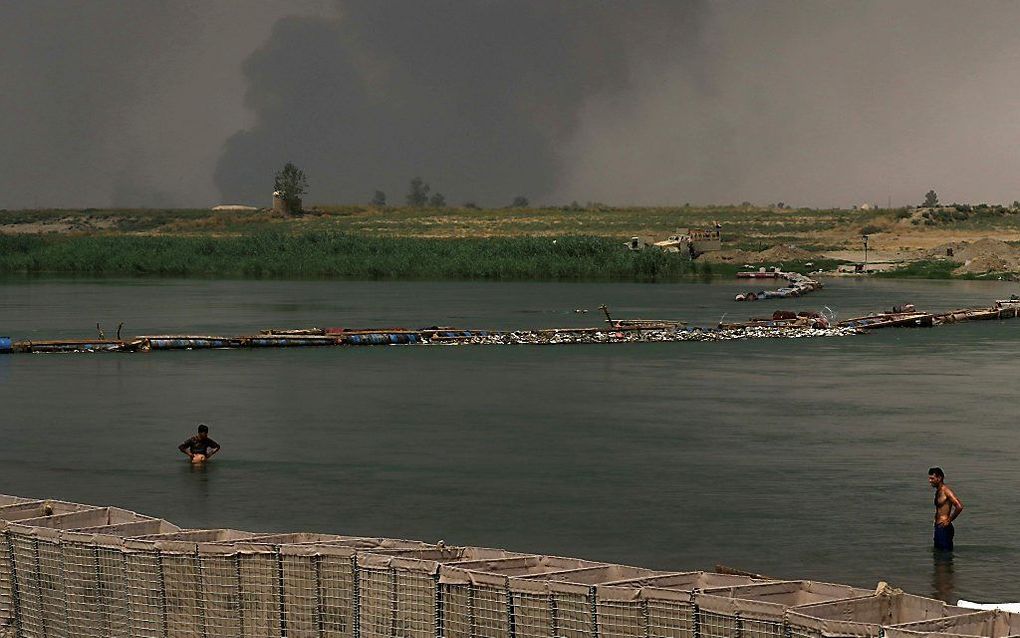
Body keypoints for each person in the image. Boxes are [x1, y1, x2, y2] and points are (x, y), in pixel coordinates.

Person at [929, 467, 963, 551]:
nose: (930, 481)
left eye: (932, 478)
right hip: (939, 527)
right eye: (929, 478)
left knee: (944, 556)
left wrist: (949, 520)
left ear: (939, 478)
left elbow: (959, 506)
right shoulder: (938, 491)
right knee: (938, 555)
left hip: (944, 527)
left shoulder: (946, 491)